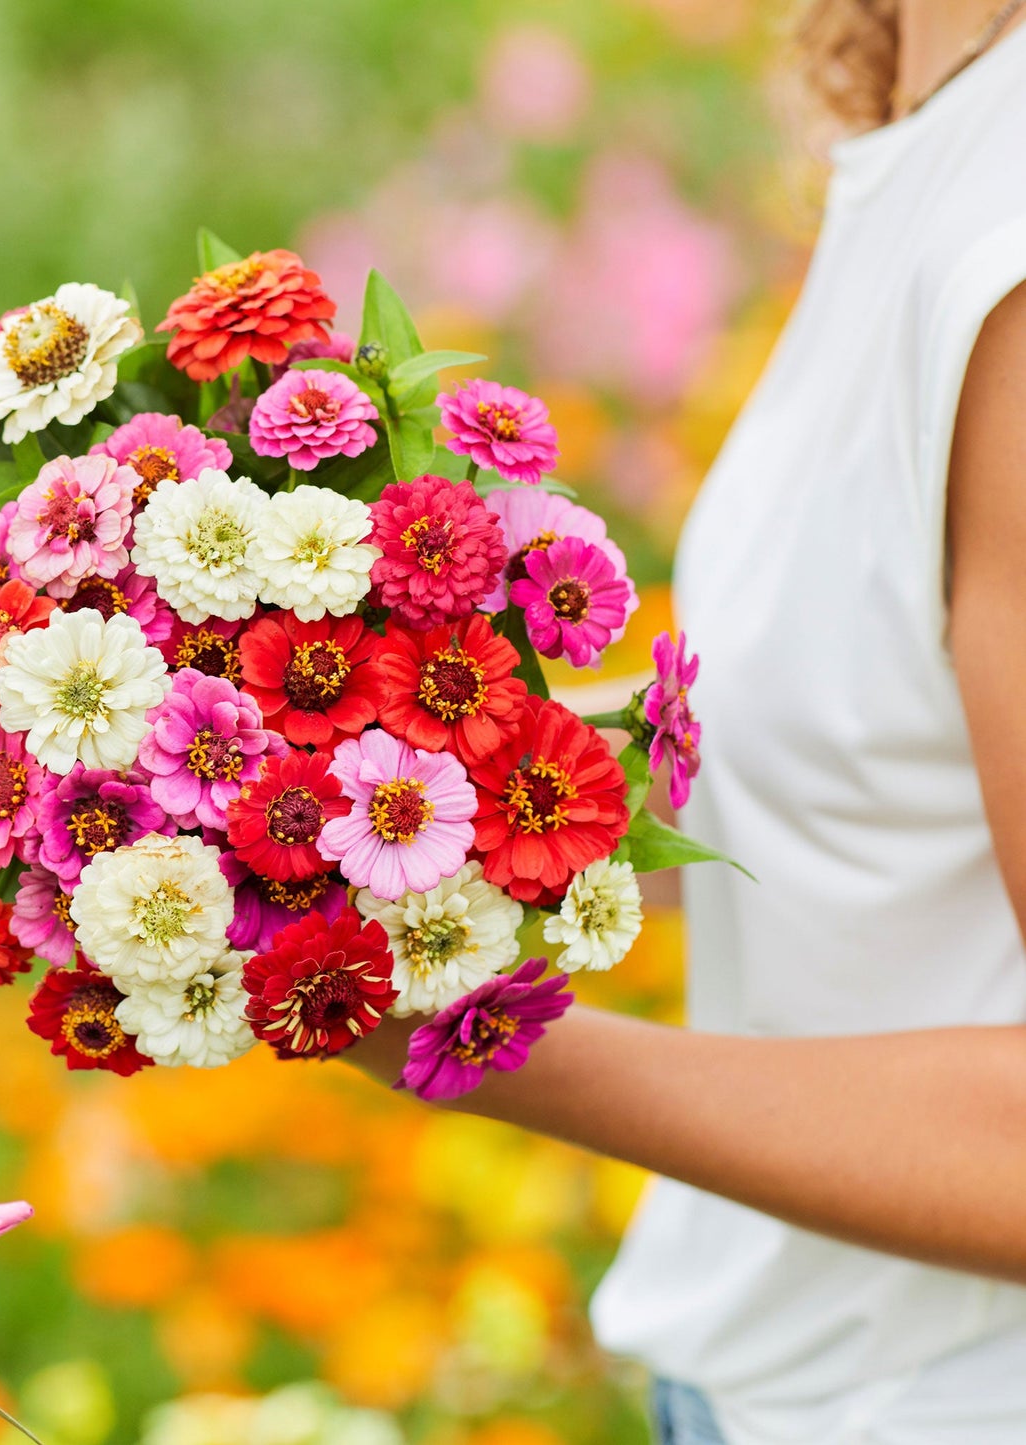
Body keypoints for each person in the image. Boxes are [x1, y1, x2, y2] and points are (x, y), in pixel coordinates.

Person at [347, 2, 1026, 1441]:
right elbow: (847, 764)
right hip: (764, 1385)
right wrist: (336, 780)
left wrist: (462, 1027)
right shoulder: (938, 138)